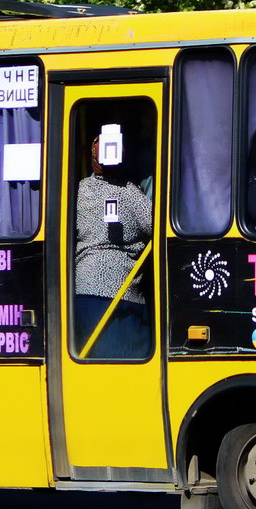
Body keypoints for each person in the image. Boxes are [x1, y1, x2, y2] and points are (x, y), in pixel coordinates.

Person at [74, 125, 153, 359]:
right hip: (119, 296)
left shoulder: (78, 190)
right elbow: (159, 227)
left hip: (84, 291)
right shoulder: (130, 193)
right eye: (100, 143)